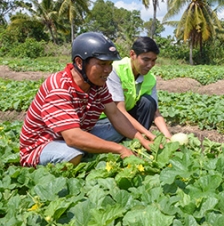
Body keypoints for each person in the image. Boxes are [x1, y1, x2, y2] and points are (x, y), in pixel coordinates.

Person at [19, 32, 151, 167]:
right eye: (102, 63)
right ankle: (82, 152)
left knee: (117, 129)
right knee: (71, 154)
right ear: (79, 62)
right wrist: (119, 149)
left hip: (78, 133)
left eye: (110, 64)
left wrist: (142, 140)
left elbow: (115, 113)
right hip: (43, 146)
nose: (108, 70)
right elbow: (72, 137)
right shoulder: (59, 87)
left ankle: (86, 148)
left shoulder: (97, 84)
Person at [96, 36, 171, 142]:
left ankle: (136, 141)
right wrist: (149, 135)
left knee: (148, 103)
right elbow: (119, 110)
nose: (150, 65)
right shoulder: (116, 70)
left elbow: (156, 113)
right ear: (132, 54)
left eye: (154, 60)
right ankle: (137, 139)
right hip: (107, 118)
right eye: (146, 60)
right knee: (116, 131)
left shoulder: (151, 78)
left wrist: (169, 138)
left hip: (126, 114)